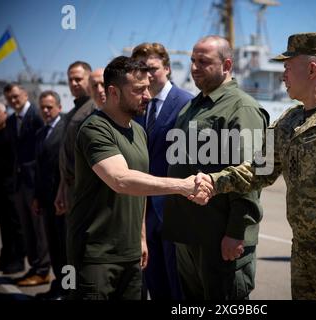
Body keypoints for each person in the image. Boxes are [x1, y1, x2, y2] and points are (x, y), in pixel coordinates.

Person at [193, 33, 316, 300]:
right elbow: (258, 169)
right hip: (302, 256)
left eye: (287, 67)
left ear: (312, 69)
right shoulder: (290, 120)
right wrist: (214, 182)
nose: (282, 74)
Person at [66, 56, 210, 300]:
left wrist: (141, 238)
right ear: (113, 92)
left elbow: (140, 189)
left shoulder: (139, 131)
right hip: (97, 254)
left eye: (147, 88)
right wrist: (183, 186)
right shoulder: (95, 129)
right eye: (138, 90)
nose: (147, 96)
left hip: (131, 253)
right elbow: (121, 180)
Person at [163, 35, 269, 300]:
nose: (194, 67)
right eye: (192, 61)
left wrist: (236, 232)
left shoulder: (242, 108)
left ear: (227, 64)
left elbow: (254, 175)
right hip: (188, 234)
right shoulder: (191, 106)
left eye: (204, 62)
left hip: (219, 238)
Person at [131, 42, 193, 300]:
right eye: (141, 69)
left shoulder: (187, 104)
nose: (146, 75)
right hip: (142, 212)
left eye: (152, 68)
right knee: (154, 282)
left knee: (179, 285)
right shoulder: (136, 107)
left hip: (175, 209)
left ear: (167, 68)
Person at [4, 84, 51, 286]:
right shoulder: (12, 120)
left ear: (24, 94)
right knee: (27, 229)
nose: (13, 101)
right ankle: (34, 267)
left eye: (16, 96)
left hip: (35, 183)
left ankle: (43, 270)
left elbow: (42, 148)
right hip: (20, 183)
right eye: (9, 98)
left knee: (40, 230)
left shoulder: (37, 115)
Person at [31, 91, 66, 299]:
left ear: (59, 107)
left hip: (61, 201)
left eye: (50, 107)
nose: (45, 111)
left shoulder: (65, 130)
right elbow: (38, 168)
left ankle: (68, 288)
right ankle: (59, 283)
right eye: (43, 107)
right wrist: (36, 196)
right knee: (53, 247)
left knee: (65, 250)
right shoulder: (41, 133)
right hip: (45, 200)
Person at [54, 61, 97, 215]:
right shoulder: (72, 113)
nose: (73, 83)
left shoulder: (94, 109)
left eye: (78, 79)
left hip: (88, 192)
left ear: (89, 79)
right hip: (71, 190)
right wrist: (62, 189)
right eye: (70, 80)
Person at [0, 102, 25, 274]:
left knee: (15, 224)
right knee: (3, 224)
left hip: (12, 184)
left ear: (5, 113)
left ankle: (18, 259)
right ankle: (6, 255)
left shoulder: (12, 130)